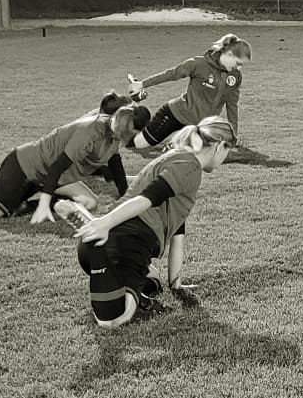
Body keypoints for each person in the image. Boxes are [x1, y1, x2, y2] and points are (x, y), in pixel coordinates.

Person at [72, 116, 236, 328]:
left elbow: (178, 235)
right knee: (114, 320)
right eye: (228, 150)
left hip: (112, 241)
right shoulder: (189, 166)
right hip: (126, 240)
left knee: (153, 279)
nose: (226, 156)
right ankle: (114, 284)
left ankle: (107, 271)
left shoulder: (178, 159)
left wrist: (176, 285)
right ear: (219, 146)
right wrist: (104, 223)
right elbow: (148, 198)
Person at [0, 95, 149, 226]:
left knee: (89, 202)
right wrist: (43, 205)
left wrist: (126, 200)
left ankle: (25, 202)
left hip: (49, 174)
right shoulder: (90, 132)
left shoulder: (113, 136)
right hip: (28, 166)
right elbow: (58, 167)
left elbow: (116, 168)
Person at [126, 33, 250, 149]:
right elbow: (171, 74)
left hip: (199, 127)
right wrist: (142, 84)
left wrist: (233, 136)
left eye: (241, 65)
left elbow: (232, 106)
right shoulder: (199, 64)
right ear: (228, 54)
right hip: (175, 114)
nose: (238, 68)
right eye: (238, 63)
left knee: (195, 150)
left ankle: (175, 141)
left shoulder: (235, 76)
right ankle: (122, 127)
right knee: (139, 144)